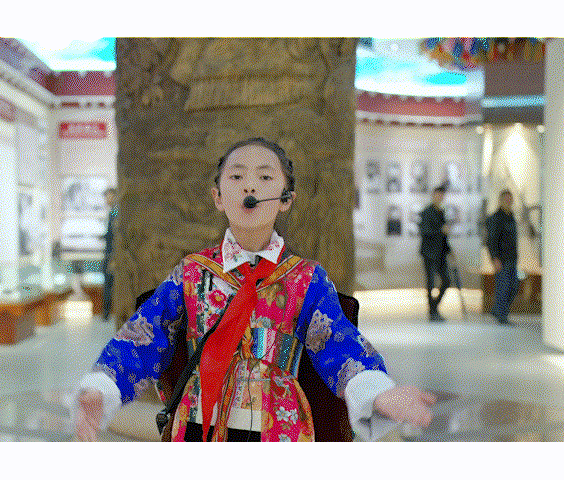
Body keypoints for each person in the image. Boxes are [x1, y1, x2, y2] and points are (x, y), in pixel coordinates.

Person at [77, 138, 435, 442]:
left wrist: (377, 392)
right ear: (218, 196)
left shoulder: (306, 279)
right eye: (237, 177)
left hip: (278, 427)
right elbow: (144, 334)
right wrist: (102, 386)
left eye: (265, 177)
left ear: (285, 198)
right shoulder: (192, 273)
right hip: (199, 423)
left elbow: (338, 343)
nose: (250, 187)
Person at [419, 185, 451, 322]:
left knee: (447, 281)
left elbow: (444, 235)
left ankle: (434, 306)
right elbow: (425, 231)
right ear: (433, 196)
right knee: (431, 282)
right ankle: (432, 311)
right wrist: (440, 230)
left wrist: (449, 249)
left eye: (442, 195)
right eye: (438, 195)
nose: (440, 197)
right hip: (430, 253)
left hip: (441, 253)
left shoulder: (441, 212)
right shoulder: (427, 212)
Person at [486, 189, 518, 325]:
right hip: (502, 259)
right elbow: (491, 240)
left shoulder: (511, 217)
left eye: (510, 199)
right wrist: (495, 258)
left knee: (514, 287)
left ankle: (496, 310)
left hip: (512, 258)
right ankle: (502, 315)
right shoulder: (496, 218)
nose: (508, 202)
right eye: (506, 199)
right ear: (501, 201)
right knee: (503, 288)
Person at [101, 188, 117, 321]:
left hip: (112, 255)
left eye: (108, 196)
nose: (106, 200)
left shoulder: (115, 212)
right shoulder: (113, 212)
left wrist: (113, 257)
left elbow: (115, 235)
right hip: (111, 254)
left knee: (109, 284)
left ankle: (106, 312)